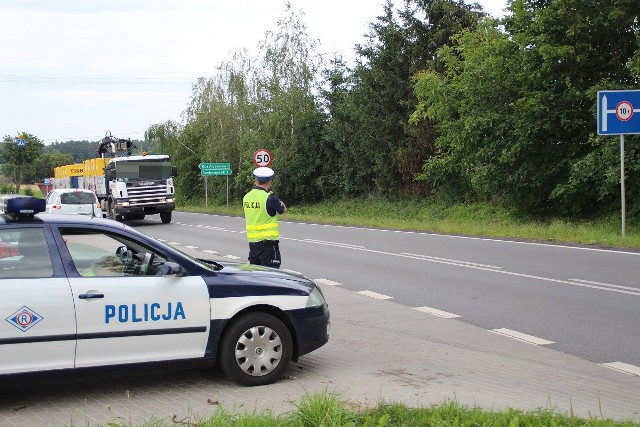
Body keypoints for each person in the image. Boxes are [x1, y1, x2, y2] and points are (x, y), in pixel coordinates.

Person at [243, 167, 287, 268]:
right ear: (270, 182)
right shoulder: (269, 198)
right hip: (268, 246)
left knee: (256, 277)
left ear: (255, 180)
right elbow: (283, 210)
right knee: (271, 277)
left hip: (253, 245)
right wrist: (276, 199)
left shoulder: (246, 197)